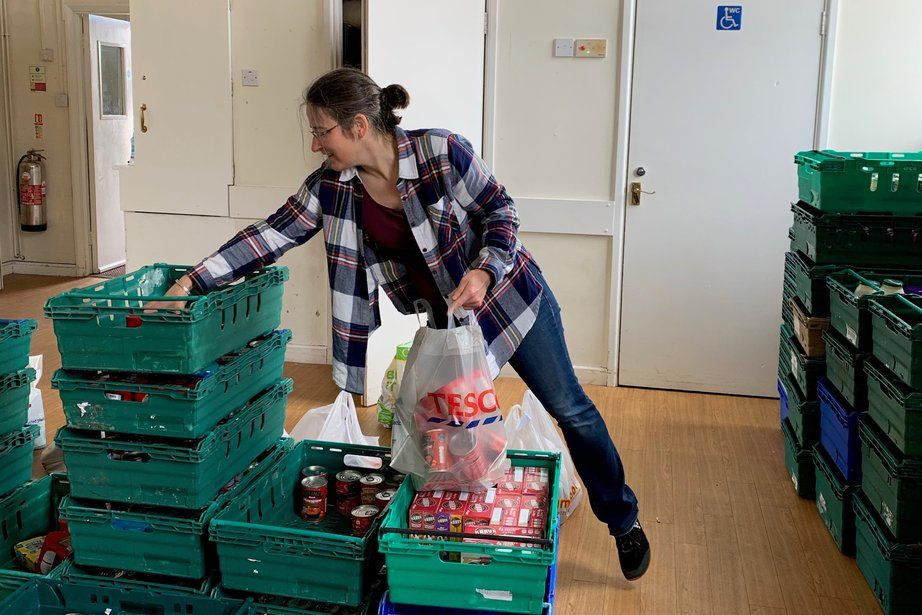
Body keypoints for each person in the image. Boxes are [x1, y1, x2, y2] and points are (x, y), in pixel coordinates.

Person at [147, 67, 650, 580]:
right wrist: (191, 282)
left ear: (359, 125)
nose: (317, 144)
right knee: (453, 436)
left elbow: (502, 211)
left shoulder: (441, 152)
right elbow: (268, 236)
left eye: (323, 131)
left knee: (572, 410)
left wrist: (483, 268)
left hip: (509, 300)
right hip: (448, 328)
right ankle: (455, 549)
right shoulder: (332, 189)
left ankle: (623, 520)